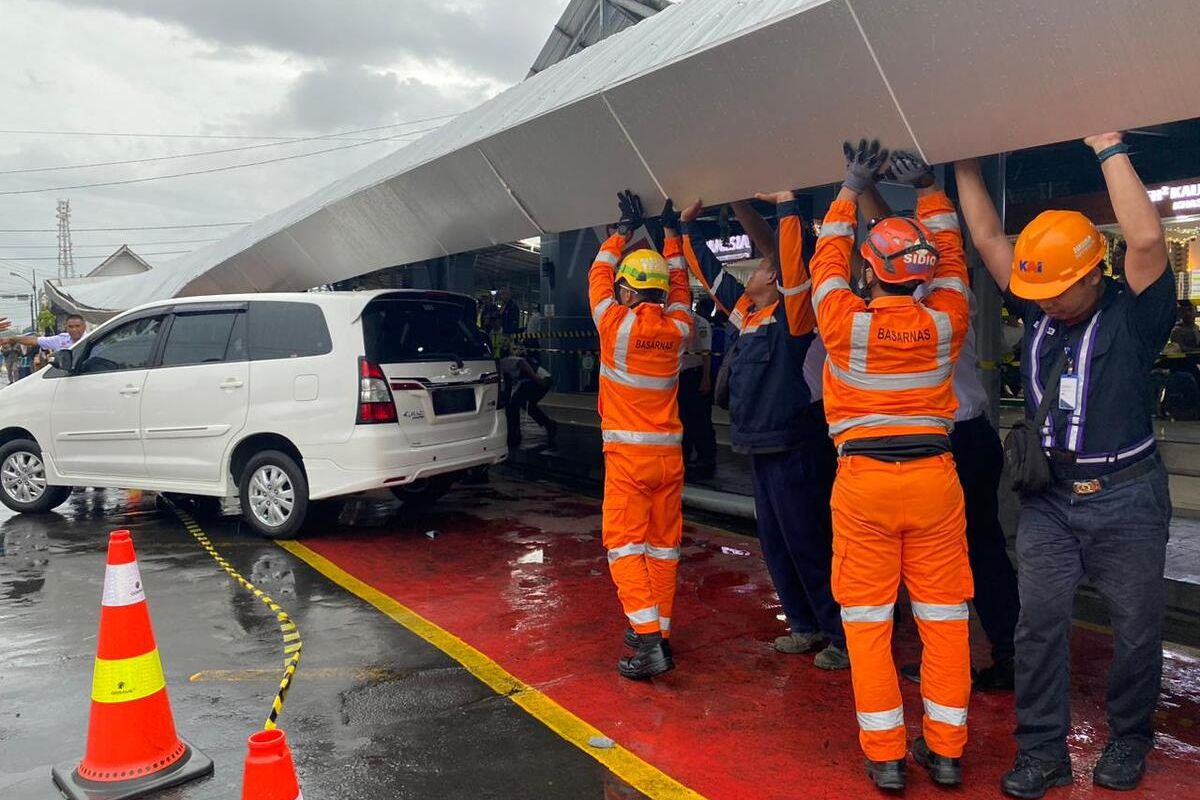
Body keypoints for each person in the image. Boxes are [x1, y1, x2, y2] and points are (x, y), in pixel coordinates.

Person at [956, 133, 1176, 797]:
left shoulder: (1138, 317)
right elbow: (991, 237)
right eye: (1036, 291)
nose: (1042, 301)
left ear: (1091, 274)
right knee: (1038, 627)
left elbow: (1145, 243)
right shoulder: (1038, 303)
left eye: (1057, 290)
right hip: (1049, 498)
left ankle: (1129, 737)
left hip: (1126, 498)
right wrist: (962, 153)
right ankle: (1043, 751)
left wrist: (1108, 147)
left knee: (1137, 631)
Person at [813, 141, 972, 790]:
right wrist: (931, 193)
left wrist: (850, 188)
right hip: (936, 482)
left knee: (869, 625)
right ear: (920, 276)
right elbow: (956, 266)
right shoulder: (945, 322)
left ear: (871, 275)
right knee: (944, 620)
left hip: (864, 488)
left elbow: (825, 263)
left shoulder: (844, 322)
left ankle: (885, 758)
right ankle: (948, 753)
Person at [858, 186, 1021, 691]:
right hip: (971, 437)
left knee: (940, 567)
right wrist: (878, 194)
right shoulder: (952, 296)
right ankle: (1008, 652)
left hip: (942, 444)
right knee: (983, 549)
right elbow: (908, 249)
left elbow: (898, 255)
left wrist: (860, 193)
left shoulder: (914, 303)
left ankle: (958, 661)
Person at [681, 194, 848, 670]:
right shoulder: (748, 315)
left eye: (758, 268)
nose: (748, 273)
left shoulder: (794, 318)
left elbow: (795, 270)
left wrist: (789, 208)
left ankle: (839, 634)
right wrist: (684, 229)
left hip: (795, 446)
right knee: (776, 544)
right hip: (759, 447)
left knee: (810, 542)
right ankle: (803, 624)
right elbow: (713, 278)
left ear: (773, 280)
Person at [590, 190, 692, 680]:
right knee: (663, 548)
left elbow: (596, 275)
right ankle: (661, 632)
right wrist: (673, 236)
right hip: (669, 457)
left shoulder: (615, 326)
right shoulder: (679, 328)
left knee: (625, 548)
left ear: (627, 291)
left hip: (628, 457)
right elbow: (683, 289)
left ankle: (649, 642)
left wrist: (622, 230)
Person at [677, 299, 716, 479]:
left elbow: (706, 353)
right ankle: (684, 456)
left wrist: (706, 379)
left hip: (695, 375)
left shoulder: (700, 323)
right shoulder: (674, 320)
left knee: (699, 419)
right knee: (682, 419)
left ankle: (705, 457)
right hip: (679, 377)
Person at [499, 350, 557, 448]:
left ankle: (514, 433)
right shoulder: (503, 369)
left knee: (515, 404)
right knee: (526, 405)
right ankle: (548, 424)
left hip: (539, 380)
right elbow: (508, 388)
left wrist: (536, 378)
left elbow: (522, 363)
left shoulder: (504, 362)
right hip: (542, 380)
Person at [6, 313, 86, 352]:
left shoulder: (91, 339)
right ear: (66, 328)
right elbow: (34, 340)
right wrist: (11, 338)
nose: (74, 329)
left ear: (84, 327)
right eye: (71, 327)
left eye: (77, 326)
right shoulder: (61, 340)